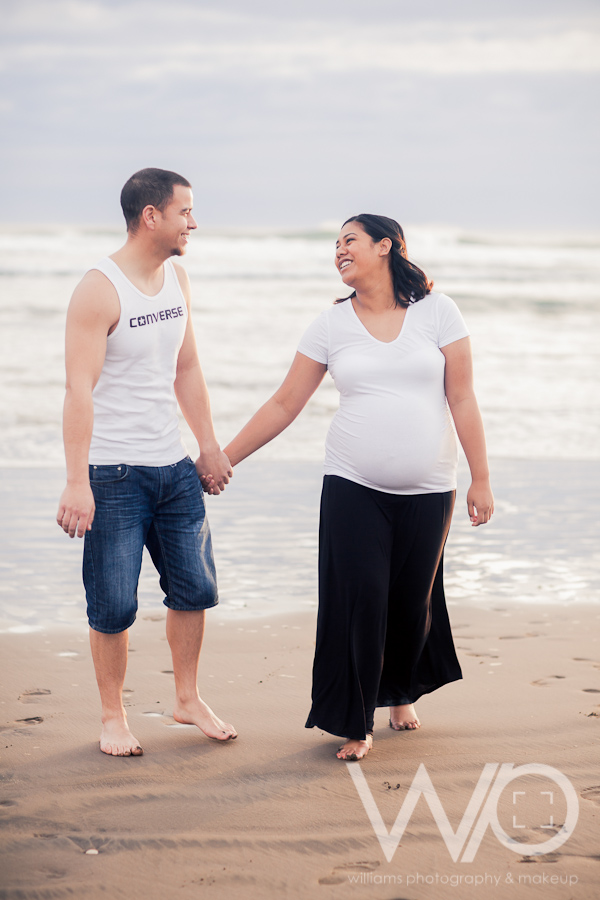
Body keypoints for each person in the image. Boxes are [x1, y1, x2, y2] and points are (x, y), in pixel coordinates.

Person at [209, 213, 493, 761]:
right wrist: (227, 457)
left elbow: (462, 398)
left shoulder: (439, 312)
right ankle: (356, 721)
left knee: (411, 601)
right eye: (334, 244)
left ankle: (400, 692)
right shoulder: (330, 324)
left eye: (350, 241)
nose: (338, 250)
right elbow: (285, 403)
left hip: (430, 485)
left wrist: (481, 477)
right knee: (359, 597)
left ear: (385, 246)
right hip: (352, 482)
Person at [56, 167, 237, 756]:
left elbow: (186, 368)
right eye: (186, 211)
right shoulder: (99, 288)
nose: (194, 222)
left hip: (173, 467)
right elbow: (78, 390)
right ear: (151, 216)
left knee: (194, 588)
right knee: (113, 602)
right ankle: (114, 717)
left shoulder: (178, 278)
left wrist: (207, 445)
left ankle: (186, 698)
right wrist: (76, 481)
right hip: (112, 475)